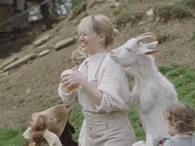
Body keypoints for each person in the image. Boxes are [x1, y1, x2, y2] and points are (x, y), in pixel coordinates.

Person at [58, 14, 136, 146]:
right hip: (91, 136)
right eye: (80, 34)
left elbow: (108, 102)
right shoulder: (84, 65)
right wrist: (66, 86)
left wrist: (83, 82)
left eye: (85, 34)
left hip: (115, 136)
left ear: (101, 37)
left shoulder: (111, 63)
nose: (81, 38)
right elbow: (68, 100)